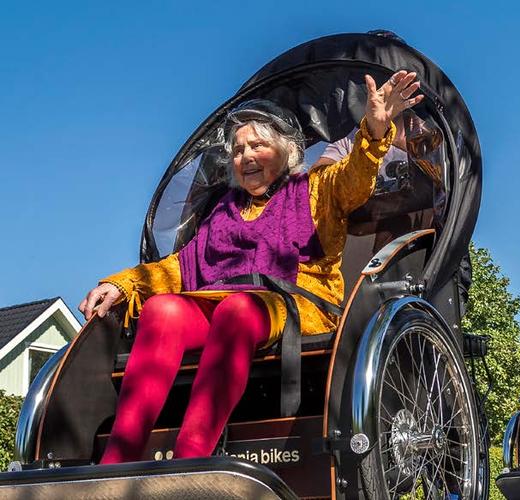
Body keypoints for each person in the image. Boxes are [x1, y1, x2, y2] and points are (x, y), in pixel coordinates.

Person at [79, 70, 424, 464]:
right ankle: (117, 462)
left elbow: (354, 179)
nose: (246, 157)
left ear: (285, 151)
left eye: (258, 145)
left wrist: (375, 132)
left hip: (294, 304)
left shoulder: (315, 189)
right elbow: (178, 268)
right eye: (239, 151)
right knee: (162, 310)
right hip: (224, 301)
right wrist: (122, 286)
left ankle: (190, 460)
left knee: (238, 310)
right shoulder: (222, 211)